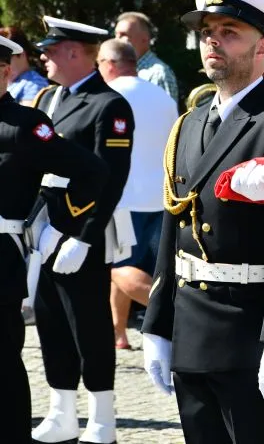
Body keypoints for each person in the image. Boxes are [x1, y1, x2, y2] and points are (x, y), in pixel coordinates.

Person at [141, 0, 264, 444]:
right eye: (206, 32)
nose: (213, 42)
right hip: (191, 330)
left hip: (250, 332)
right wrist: (157, 325)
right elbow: (173, 226)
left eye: (229, 32)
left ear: (262, 47)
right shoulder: (189, 124)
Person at [31, 16, 135, 444]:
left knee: (88, 325)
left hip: (81, 229)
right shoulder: (48, 98)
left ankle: (102, 418)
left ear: (75, 52)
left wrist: (83, 236)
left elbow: (111, 178)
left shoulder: (108, 105)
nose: (44, 58)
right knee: (50, 321)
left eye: (51, 51)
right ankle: (61, 412)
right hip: (45, 226)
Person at [0, 35, 108, 444]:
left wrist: (59, 225)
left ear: (5, 72)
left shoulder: (24, 125)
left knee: (3, 366)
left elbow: (91, 171)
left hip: (1, 259)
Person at [96, 38, 178, 350]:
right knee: (131, 266)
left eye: (99, 63)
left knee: (117, 270)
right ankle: (118, 332)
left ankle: (178, 317)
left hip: (123, 198)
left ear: (110, 64)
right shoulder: (162, 96)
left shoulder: (109, 95)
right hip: (159, 197)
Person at [114, 11, 179, 101]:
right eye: (116, 35)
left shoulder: (158, 74)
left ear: (144, 38)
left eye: (123, 35)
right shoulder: (119, 71)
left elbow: (164, 109)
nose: (116, 41)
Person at [0, 26, 49, 106]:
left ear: (21, 54)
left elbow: (27, 113)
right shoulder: (10, 81)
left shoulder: (35, 83)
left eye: (6, 60)